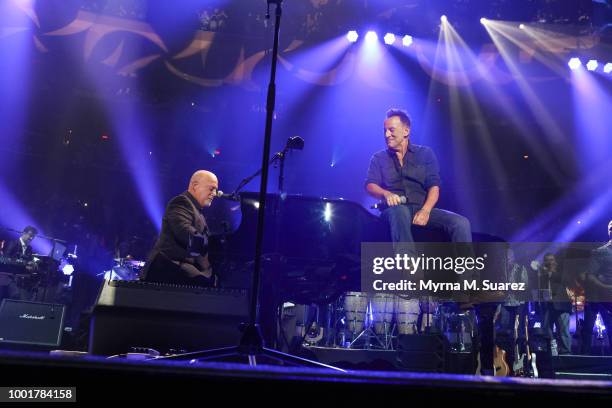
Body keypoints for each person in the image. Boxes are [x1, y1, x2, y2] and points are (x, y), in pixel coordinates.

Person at [365, 109, 472, 243]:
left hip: (421, 207)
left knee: (461, 223)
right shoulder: (379, 158)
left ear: (406, 131)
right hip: (393, 211)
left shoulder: (425, 153)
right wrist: (386, 194)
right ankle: (407, 263)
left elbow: (434, 187)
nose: (387, 134)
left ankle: (464, 264)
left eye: (391, 130)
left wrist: (426, 211)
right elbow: (370, 185)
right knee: (400, 212)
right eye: (385, 131)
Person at [141, 170, 219, 286]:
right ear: (195, 186)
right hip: (167, 271)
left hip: (180, 272)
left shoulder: (198, 211)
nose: (215, 193)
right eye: (211, 188)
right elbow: (185, 231)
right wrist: (213, 245)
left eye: (216, 190)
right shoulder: (181, 202)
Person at [580, 220, 612, 354]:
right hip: (595, 296)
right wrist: (604, 286)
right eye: (610, 227)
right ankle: (584, 361)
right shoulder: (599, 252)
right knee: (588, 328)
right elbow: (590, 275)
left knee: (610, 328)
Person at [537, 253, 572, 355]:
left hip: (562, 305)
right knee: (546, 327)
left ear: (555, 261)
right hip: (548, 305)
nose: (549, 262)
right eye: (547, 260)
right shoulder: (542, 274)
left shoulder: (561, 270)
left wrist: (551, 272)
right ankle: (552, 348)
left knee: (563, 330)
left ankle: (566, 351)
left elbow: (566, 280)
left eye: (551, 260)